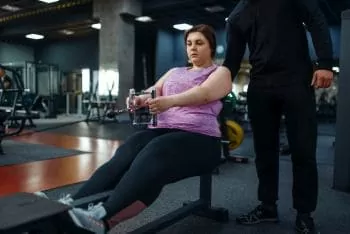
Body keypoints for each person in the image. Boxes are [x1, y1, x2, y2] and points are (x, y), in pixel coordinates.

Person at [42, 24, 232, 233]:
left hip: (202, 140)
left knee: (157, 150)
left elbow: (204, 93)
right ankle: (72, 205)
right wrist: (139, 99)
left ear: (211, 47)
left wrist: (168, 101)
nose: (192, 48)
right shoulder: (174, 72)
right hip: (165, 131)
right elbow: (153, 90)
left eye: (199, 43)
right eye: (189, 44)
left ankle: (103, 217)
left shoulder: (220, 72)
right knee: (129, 148)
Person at [222, 0, 334, 233]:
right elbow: (230, 62)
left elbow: (316, 19)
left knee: (303, 150)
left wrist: (324, 63)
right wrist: (212, 91)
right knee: (264, 152)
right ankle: (267, 207)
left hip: (297, 82)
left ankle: (304, 214)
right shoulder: (237, 16)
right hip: (260, 86)